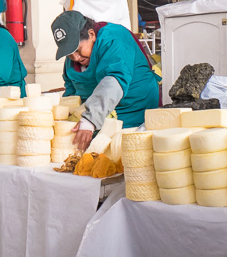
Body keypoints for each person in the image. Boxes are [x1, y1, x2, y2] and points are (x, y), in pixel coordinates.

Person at [51, 10, 160, 151]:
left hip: (133, 114)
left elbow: (114, 81)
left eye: (78, 50)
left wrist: (90, 120)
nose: (76, 58)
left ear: (91, 34)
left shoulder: (114, 38)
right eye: (70, 54)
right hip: (98, 120)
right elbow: (71, 91)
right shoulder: (72, 60)